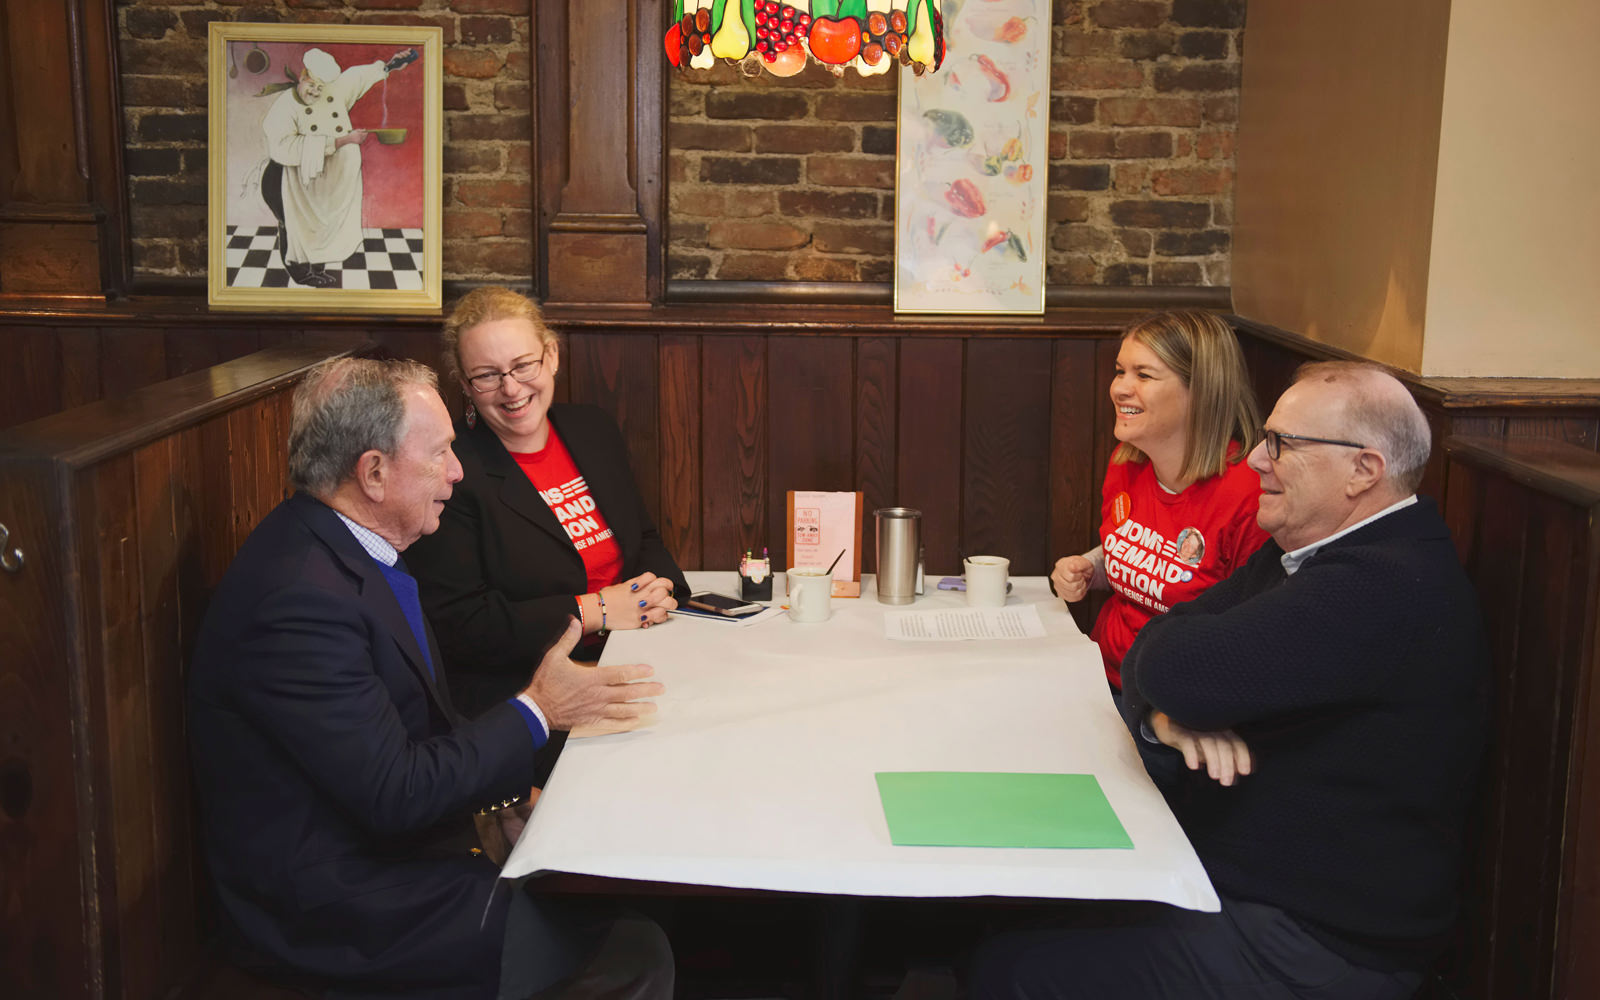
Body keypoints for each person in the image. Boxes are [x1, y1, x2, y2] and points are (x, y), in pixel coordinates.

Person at [971, 361, 1490, 1000]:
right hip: (1242, 882)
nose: (1257, 464)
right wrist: (1162, 716)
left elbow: (1174, 666)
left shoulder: (1383, 583)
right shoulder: (1305, 549)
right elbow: (1159, 647)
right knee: (1008, 919)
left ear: (1364, 470)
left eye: (1284, 445)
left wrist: (1167, 697)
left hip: (1315, 943)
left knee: (1010, 971)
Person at [188, 357, 673, 999]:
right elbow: (396, 793)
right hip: (333, 907)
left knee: (607, 875)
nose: (458, 470)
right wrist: (539, 709)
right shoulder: (299, 600)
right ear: (374, 472)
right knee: (632, 946)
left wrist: (499, 799)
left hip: (389, 853)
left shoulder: (348, 546)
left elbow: (411, 735)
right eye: (441, 451)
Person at [408, 287, 688, 718]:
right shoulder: (454, 471)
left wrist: (661, 591)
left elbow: (644, 539)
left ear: (552, 356)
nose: (511, 388)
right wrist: (595, 610)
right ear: (465, 385)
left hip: (640, 650)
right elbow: (462, 625)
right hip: (535, 695)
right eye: (487, 374)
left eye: (523, 365)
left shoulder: (592, 430)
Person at [1050, 310, 1269, 691]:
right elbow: (1153, 554)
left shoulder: (1251, 495)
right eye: (1120, 371)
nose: (1119, 388)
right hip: (1099, 677)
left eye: (1144, 375)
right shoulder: (1126, 462)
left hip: (1177, 699)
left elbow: (1255, 635)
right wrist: (1091, 566)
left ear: (1200, 391)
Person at [261, 46, 418, 288]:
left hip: (318, 182)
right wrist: (343, 140)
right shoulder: (284, 107)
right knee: (295, 227)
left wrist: (388, 66)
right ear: (302, 77)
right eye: (312, 85)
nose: (316, 92)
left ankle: (316, 269)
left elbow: (357, 77)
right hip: (284, 179)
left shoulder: (332, 90)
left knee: (319, 226)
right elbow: (284, 148)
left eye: (321, 87)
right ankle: (300, 273)